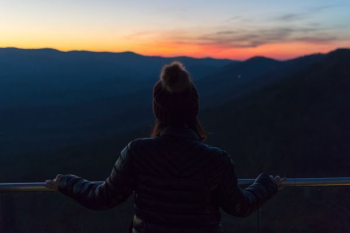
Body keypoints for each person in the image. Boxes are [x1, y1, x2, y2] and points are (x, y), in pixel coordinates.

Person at [45, 61, 287, 233]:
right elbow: (239, 206)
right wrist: (267, 184)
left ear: (157, 110)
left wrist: (65, 182)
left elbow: (103, 197)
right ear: (194, 109)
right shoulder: (216, 159)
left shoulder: (138, 151)